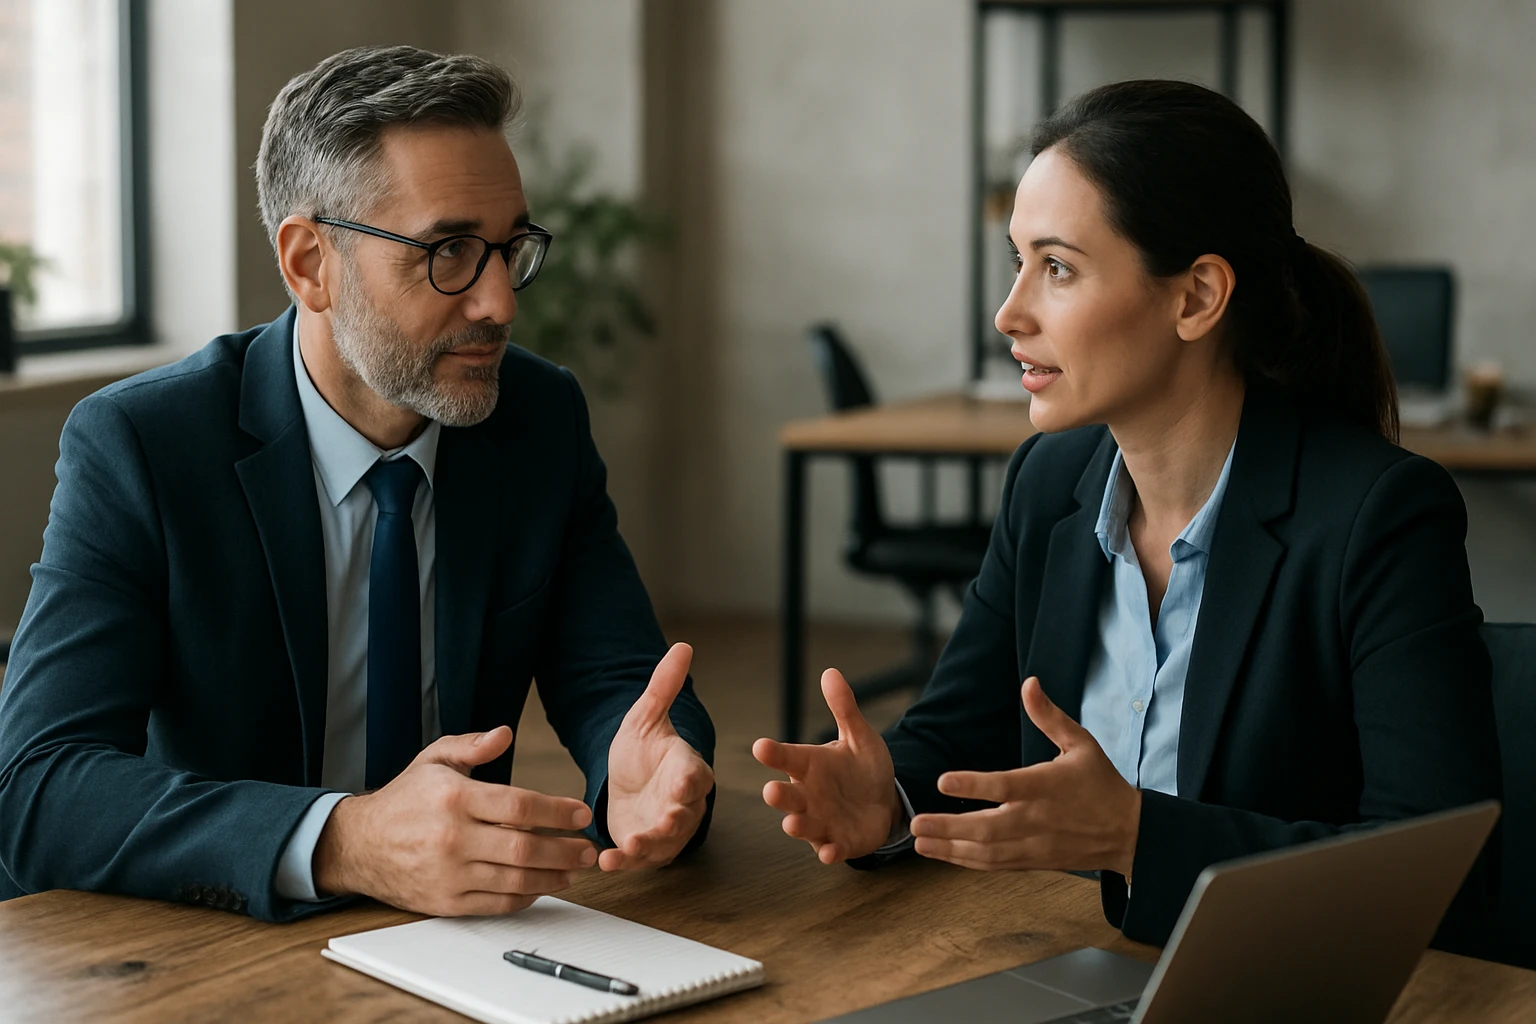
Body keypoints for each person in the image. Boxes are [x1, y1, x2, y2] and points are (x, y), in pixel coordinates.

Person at [754, 79, 1501, 951]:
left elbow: (1440, 877)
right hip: (1066, 967)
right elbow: (957, 733)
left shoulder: (1379, 518)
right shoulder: (1050, 481)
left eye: (1058, 268)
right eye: (1017, 260)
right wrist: (889, 797)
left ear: (1196, 297)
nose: (1010, 312)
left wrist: (1138, 838)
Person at [0, 45, 715, 923]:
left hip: (453, 946)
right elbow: (41, 784)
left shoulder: (538, 420)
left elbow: (617, 680)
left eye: (509, 248)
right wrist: (345, 840)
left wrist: (648, 770)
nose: (500, 303)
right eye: (450, 250)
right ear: (309, 264)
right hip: (201, 942)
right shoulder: (145, 444)